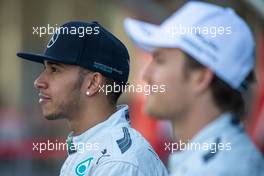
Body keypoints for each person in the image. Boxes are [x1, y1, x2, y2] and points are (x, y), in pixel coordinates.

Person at [124, 1, 264, 175]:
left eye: (160, 60)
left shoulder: (220, 169)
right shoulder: (217, 158)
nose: (147, 75)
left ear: (201, 77)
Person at [17, 21, 168, 176]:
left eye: (54, 69)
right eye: (45, 68)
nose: (38, 81)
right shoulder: (95, 148)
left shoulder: (117, 163)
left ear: (93, 83)